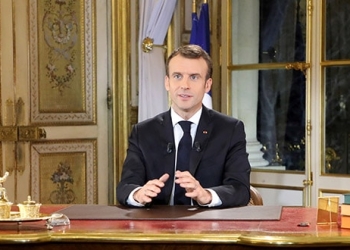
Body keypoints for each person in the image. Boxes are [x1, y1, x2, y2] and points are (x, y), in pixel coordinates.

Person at [117, 44, 251, 208]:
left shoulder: (230, 130)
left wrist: (206, 195)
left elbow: (240, 190)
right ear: (167, 82)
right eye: (177, 76)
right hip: (157, 228)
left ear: (207, 85)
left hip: (208, 227)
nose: (184, 85)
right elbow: (125, 187)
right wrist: (138, 194)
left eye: (194, 77)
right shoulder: (143, 132)